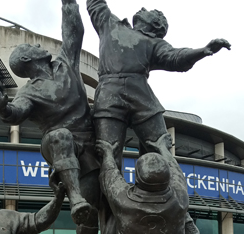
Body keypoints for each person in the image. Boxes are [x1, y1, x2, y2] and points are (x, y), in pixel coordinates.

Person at [0, 0, 100, 234]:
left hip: (88, 142)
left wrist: (69, 3)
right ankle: (76, 198)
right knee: (60, 137)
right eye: (32, 47)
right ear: (29, 59)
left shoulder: (65, 62)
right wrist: (0, 106)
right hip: (55, 143)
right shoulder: (29, 91)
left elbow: (73, 32)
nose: (38, 46)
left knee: (92, 209)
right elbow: (15, 113)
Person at [85, 0, 230, 169]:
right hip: (109, 98)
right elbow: (95, 4)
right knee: (107, 154)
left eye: (150, 11)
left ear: (155, 23)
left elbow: (175, 57)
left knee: (161, 149)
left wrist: (203, 51)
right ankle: (107, 194)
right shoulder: (110, 24)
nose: (143, 8)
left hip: (141, 99)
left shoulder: (154, 43)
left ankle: (156, 190)